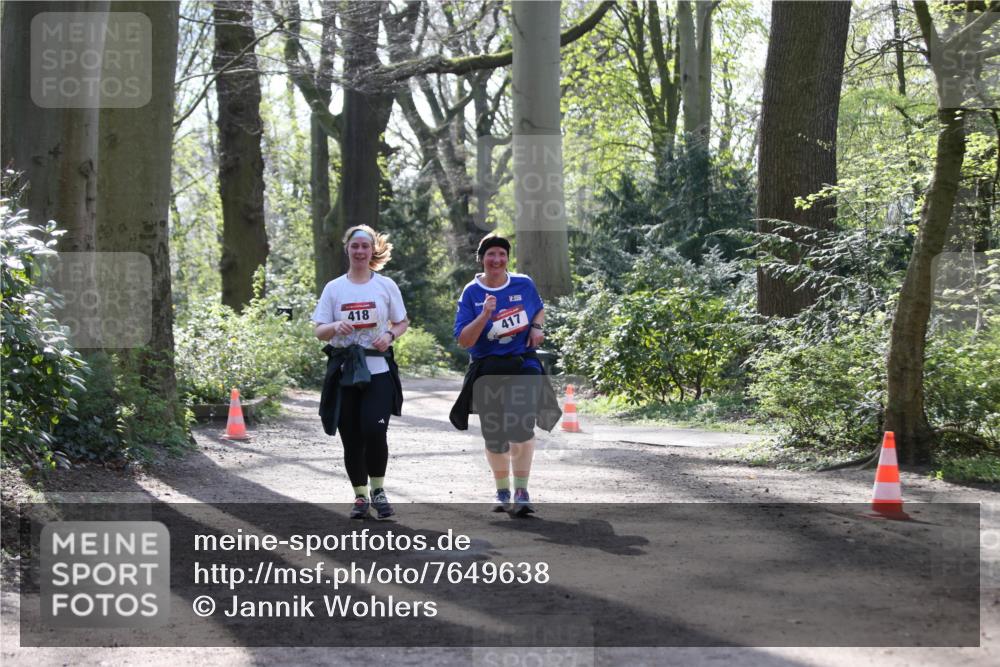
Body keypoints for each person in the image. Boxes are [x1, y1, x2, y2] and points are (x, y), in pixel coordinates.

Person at [450, 233, 561, 516]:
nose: (497, 259)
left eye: (502, 254)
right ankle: (502, 491)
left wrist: (537, 327)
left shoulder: (523, 284)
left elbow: (539, 309)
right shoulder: (471, 293)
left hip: (523, 364)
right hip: (487, 369)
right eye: (491, 254)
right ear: (481, 259)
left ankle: (521, 491)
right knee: (495, 437)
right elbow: (464, 340)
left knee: (521, 426)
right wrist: (485, 315)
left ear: (508, 259)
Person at [312, 225, 409, 520]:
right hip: (345, 371)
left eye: (365, 246)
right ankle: (360, 496)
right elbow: (319, 330)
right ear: (347, 249)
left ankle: (378, 490)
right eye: (354, 246)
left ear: (372, 250)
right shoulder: (334, 288)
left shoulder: (386, 286)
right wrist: (334, 327)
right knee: (351, 436)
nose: (359, 251)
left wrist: (389, 336)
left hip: (377, 369)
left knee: (374, 429)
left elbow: (402, 322)